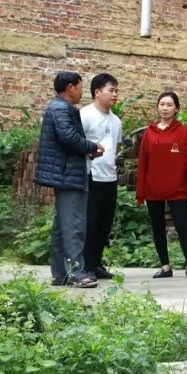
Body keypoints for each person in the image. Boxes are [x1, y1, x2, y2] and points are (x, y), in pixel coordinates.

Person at [34, 71, 105, 288]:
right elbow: (69, 137)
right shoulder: (61, 109)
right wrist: (92, 146)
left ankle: (60, 274)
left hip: (65, 173)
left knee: (61, 227)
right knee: (74, 225)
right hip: (69, 175)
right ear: (70, 87)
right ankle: (77, 273)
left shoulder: (58, 108)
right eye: (80, 87)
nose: (82, 92)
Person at [136, 91, 187, 279]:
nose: (165, 108)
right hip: (153, 188)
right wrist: (140, 192)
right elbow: (142, 164)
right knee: (158, 227)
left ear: (176, 109)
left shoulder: (183, 132)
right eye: (162, 104)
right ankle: (165, 266)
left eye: (169, 105)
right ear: (157, 107)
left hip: (177, 188)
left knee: (182, 225)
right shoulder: (149, 133)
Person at [80, 73, 123, 280]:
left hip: (110, 178)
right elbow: (76, 143)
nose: (115, 95)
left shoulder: (116, 120)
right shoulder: (85, 115)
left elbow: (116, 147)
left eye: (116, 91)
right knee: (90, 223)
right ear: (97, 92)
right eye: (110, 90)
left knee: (105, 224)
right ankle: (85, 266)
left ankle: (96, 264)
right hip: (91, 177)